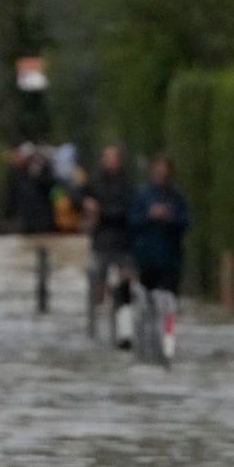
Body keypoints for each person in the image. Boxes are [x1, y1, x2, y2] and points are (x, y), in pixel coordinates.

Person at [81, 144, 136, 348]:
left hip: (123, 241)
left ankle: (125, 331)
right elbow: (76, 195)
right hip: (101, 241)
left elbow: (127, 209)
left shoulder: (128, 184)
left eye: (113, 158)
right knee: (98, 282)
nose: (110, 162)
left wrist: (101, 212)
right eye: (107, 158)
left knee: (125, 285)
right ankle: (97, 324)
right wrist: (86, 204)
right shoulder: (94, 182)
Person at [129, 154, 190, 296]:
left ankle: (169, 319)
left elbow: (185, 222)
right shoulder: (142, 195)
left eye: (164, 169)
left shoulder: (177, 196)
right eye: (158, 169)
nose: (161, 173)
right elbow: (132, 222)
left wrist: (170, 217)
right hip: (147, 259)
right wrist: (149, 216)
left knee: (169, 302)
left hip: (171, 259)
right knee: (148, 299)